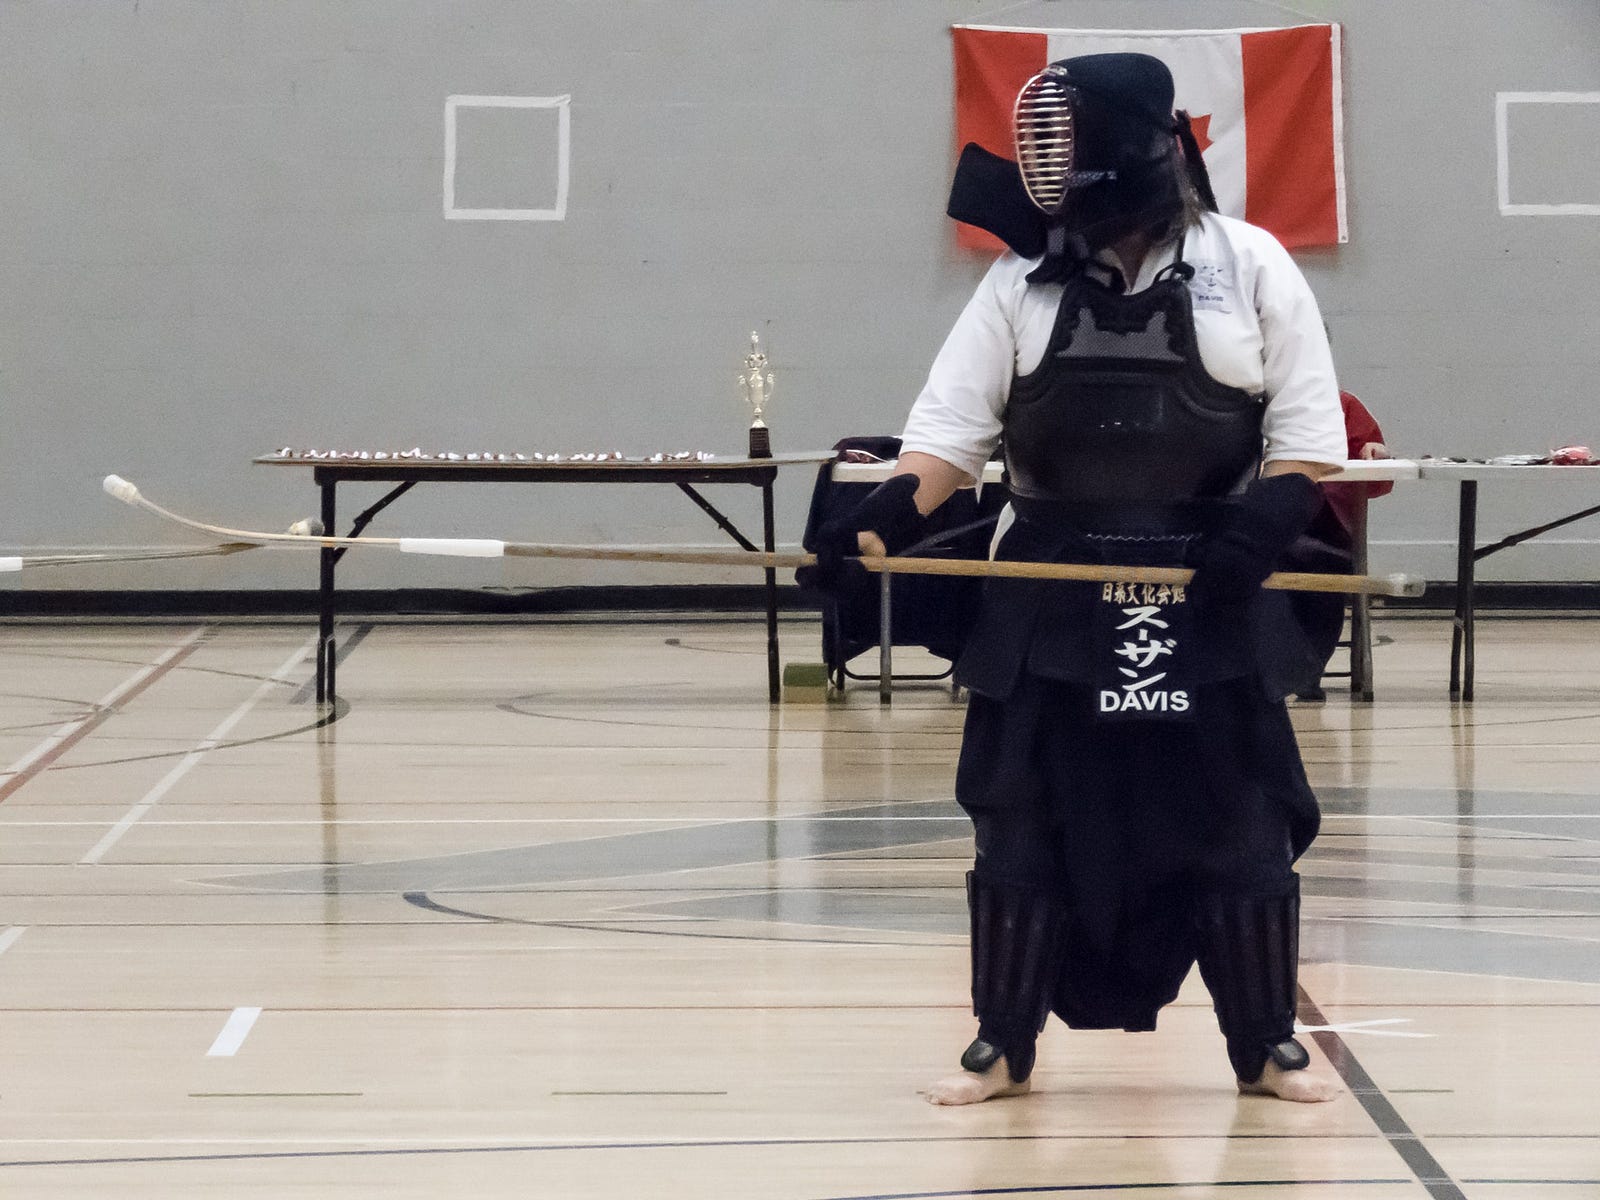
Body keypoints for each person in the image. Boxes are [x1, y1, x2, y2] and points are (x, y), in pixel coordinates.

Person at [810, 53, 1346, 1104]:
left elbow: (1306, 442)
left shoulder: (1252, 264)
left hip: (1209, 591)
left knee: (1238, 822)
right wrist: (875, 523)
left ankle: (1264, 1044)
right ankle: (1001, 1044)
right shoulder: (1016, 284)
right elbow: (947, 441)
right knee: (1020, 820)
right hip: (1048, 596)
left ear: (1140, 148)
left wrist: (1254, 539)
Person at [1292, 391, 1393, 701]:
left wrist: (1378, 456)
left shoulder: (1344, 405)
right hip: (1259, 523)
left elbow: (1378, 482)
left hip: (1325, 530)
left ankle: (1306, 671)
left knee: (1324, 575)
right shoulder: (1242, 404)